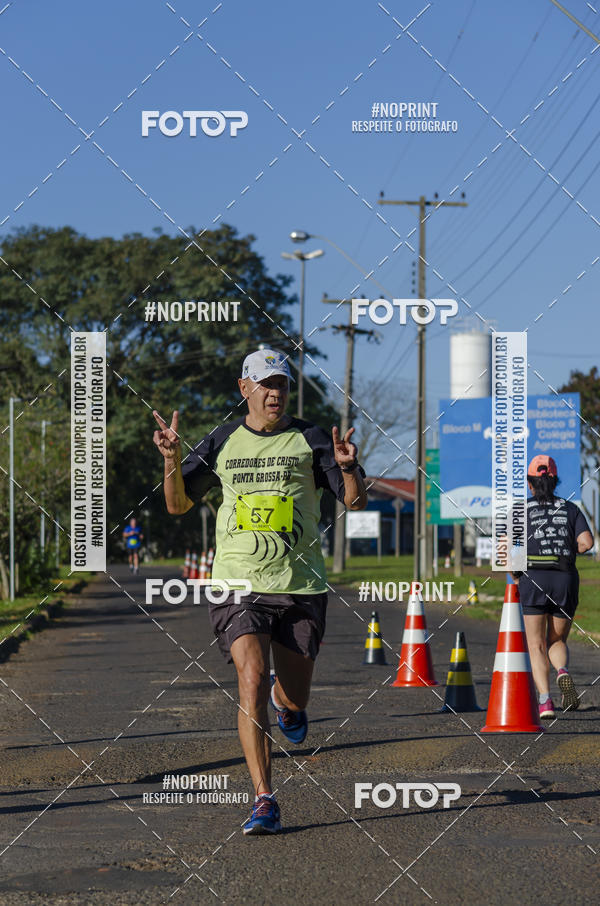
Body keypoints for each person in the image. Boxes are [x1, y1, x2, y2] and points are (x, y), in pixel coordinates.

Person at [152, 348, 367, 834]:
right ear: (244, 388)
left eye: (284, 385)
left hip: (300, 586)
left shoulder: (311, 438)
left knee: (293, 696)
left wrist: (350, 467)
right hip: (237, 584)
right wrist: (170, 459)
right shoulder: (223, 439)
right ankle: (264, 798)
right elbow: (178, 505)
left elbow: (353, 502)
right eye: (267, 384)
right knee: (250, 676)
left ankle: (286, 702)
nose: (276, 393)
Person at [511, 455, 593, 719]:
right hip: (564, 579)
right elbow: (587, 543)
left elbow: (508, 550)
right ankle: (563, 672)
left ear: (530, 483)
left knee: (535, 645)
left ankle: (545, 702)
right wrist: (569, 548)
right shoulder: (570, 509)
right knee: (556, 640)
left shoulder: (520, 510)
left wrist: (515, 574)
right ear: (555, 480)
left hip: (533, 579)